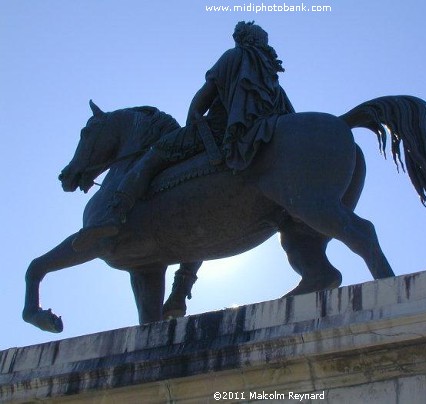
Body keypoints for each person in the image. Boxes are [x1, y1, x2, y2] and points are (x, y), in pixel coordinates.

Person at [72, 21, 295, 251]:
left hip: (218, 131)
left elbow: (200, 103)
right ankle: (184, 281)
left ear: (241, 39)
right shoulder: (270, 74)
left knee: (150, 159)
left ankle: (112, 215)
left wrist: (192, 128)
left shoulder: (233, 57)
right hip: (260, 133)